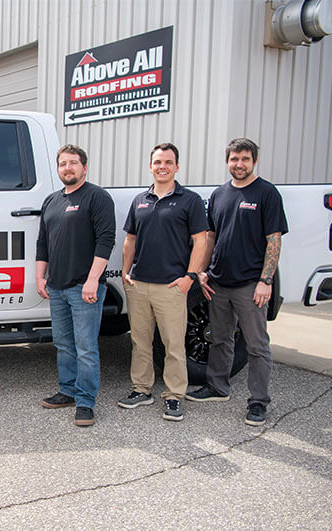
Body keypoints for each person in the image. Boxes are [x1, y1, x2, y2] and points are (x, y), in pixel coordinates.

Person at [187, 138, 288, 427]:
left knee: (256, 345)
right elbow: (211, 236)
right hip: (218, 282)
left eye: (245, 159)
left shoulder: (266, 193)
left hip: (249, 284)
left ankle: (258, 402)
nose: (239, 164)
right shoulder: (219, 194)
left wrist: (265, 280)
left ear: (254, 161)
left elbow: (274, 240)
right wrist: (202, 271)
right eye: (234, 159)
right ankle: (218, 387)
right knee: (220, 338)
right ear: (227, 161)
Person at [118, 143, 207, 422]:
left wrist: (189, 277)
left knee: (173, 345)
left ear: (177, 167)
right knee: (140, 342)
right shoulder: (140, 200)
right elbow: (130, 239)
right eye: (157, 162)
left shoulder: (189, 200)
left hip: (171, 287)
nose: (162, 167)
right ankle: (141, 390)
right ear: (150, 166)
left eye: (168, 162)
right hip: (139, 285)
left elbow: (201, 241)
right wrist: (125, 272)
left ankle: (174, 396)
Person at [37, 144, 115, 427]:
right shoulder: (51, 200)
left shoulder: (97, 197)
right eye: (63, 164)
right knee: (63, 344)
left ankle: (85, 402)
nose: (67, 168)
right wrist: (40, 277)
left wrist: (92, 280)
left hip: (84, 287)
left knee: (86, 347)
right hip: (57, 287)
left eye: (73, 163)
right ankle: (67, 391)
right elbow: (43, 242)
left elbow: (106, 240)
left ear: (84, 167)